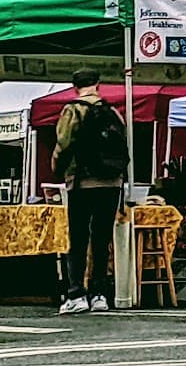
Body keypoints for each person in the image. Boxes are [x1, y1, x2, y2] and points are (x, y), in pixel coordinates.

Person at [52, 68, 127, 315]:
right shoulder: (113, 111)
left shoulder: (73, 110)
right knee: (102, 239)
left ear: (75, 87)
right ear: (98, 85)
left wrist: (57, 167)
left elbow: (63, 143)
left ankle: (76, 294)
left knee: (79, 238)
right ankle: (100, 294)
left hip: (82, 182)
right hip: (112, 183)